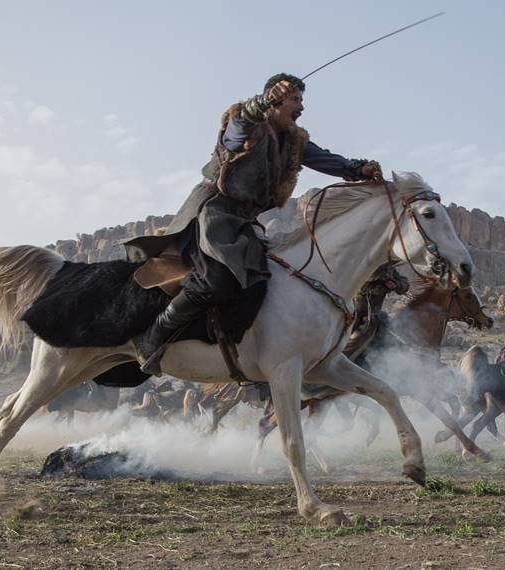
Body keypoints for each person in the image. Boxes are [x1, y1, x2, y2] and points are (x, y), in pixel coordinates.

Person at [127, 74, 382, 374]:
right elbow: (235, 132)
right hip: (214, 214)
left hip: (245, 224)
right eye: (294, 99)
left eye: (302, 101)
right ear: (274, 99)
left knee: (266, 282)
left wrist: (357, 168)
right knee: (218, 278)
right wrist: (260, 103)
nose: (300, 107)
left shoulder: (293, 141)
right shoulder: (246, 123)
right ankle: (153, 337)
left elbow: (325, 160)